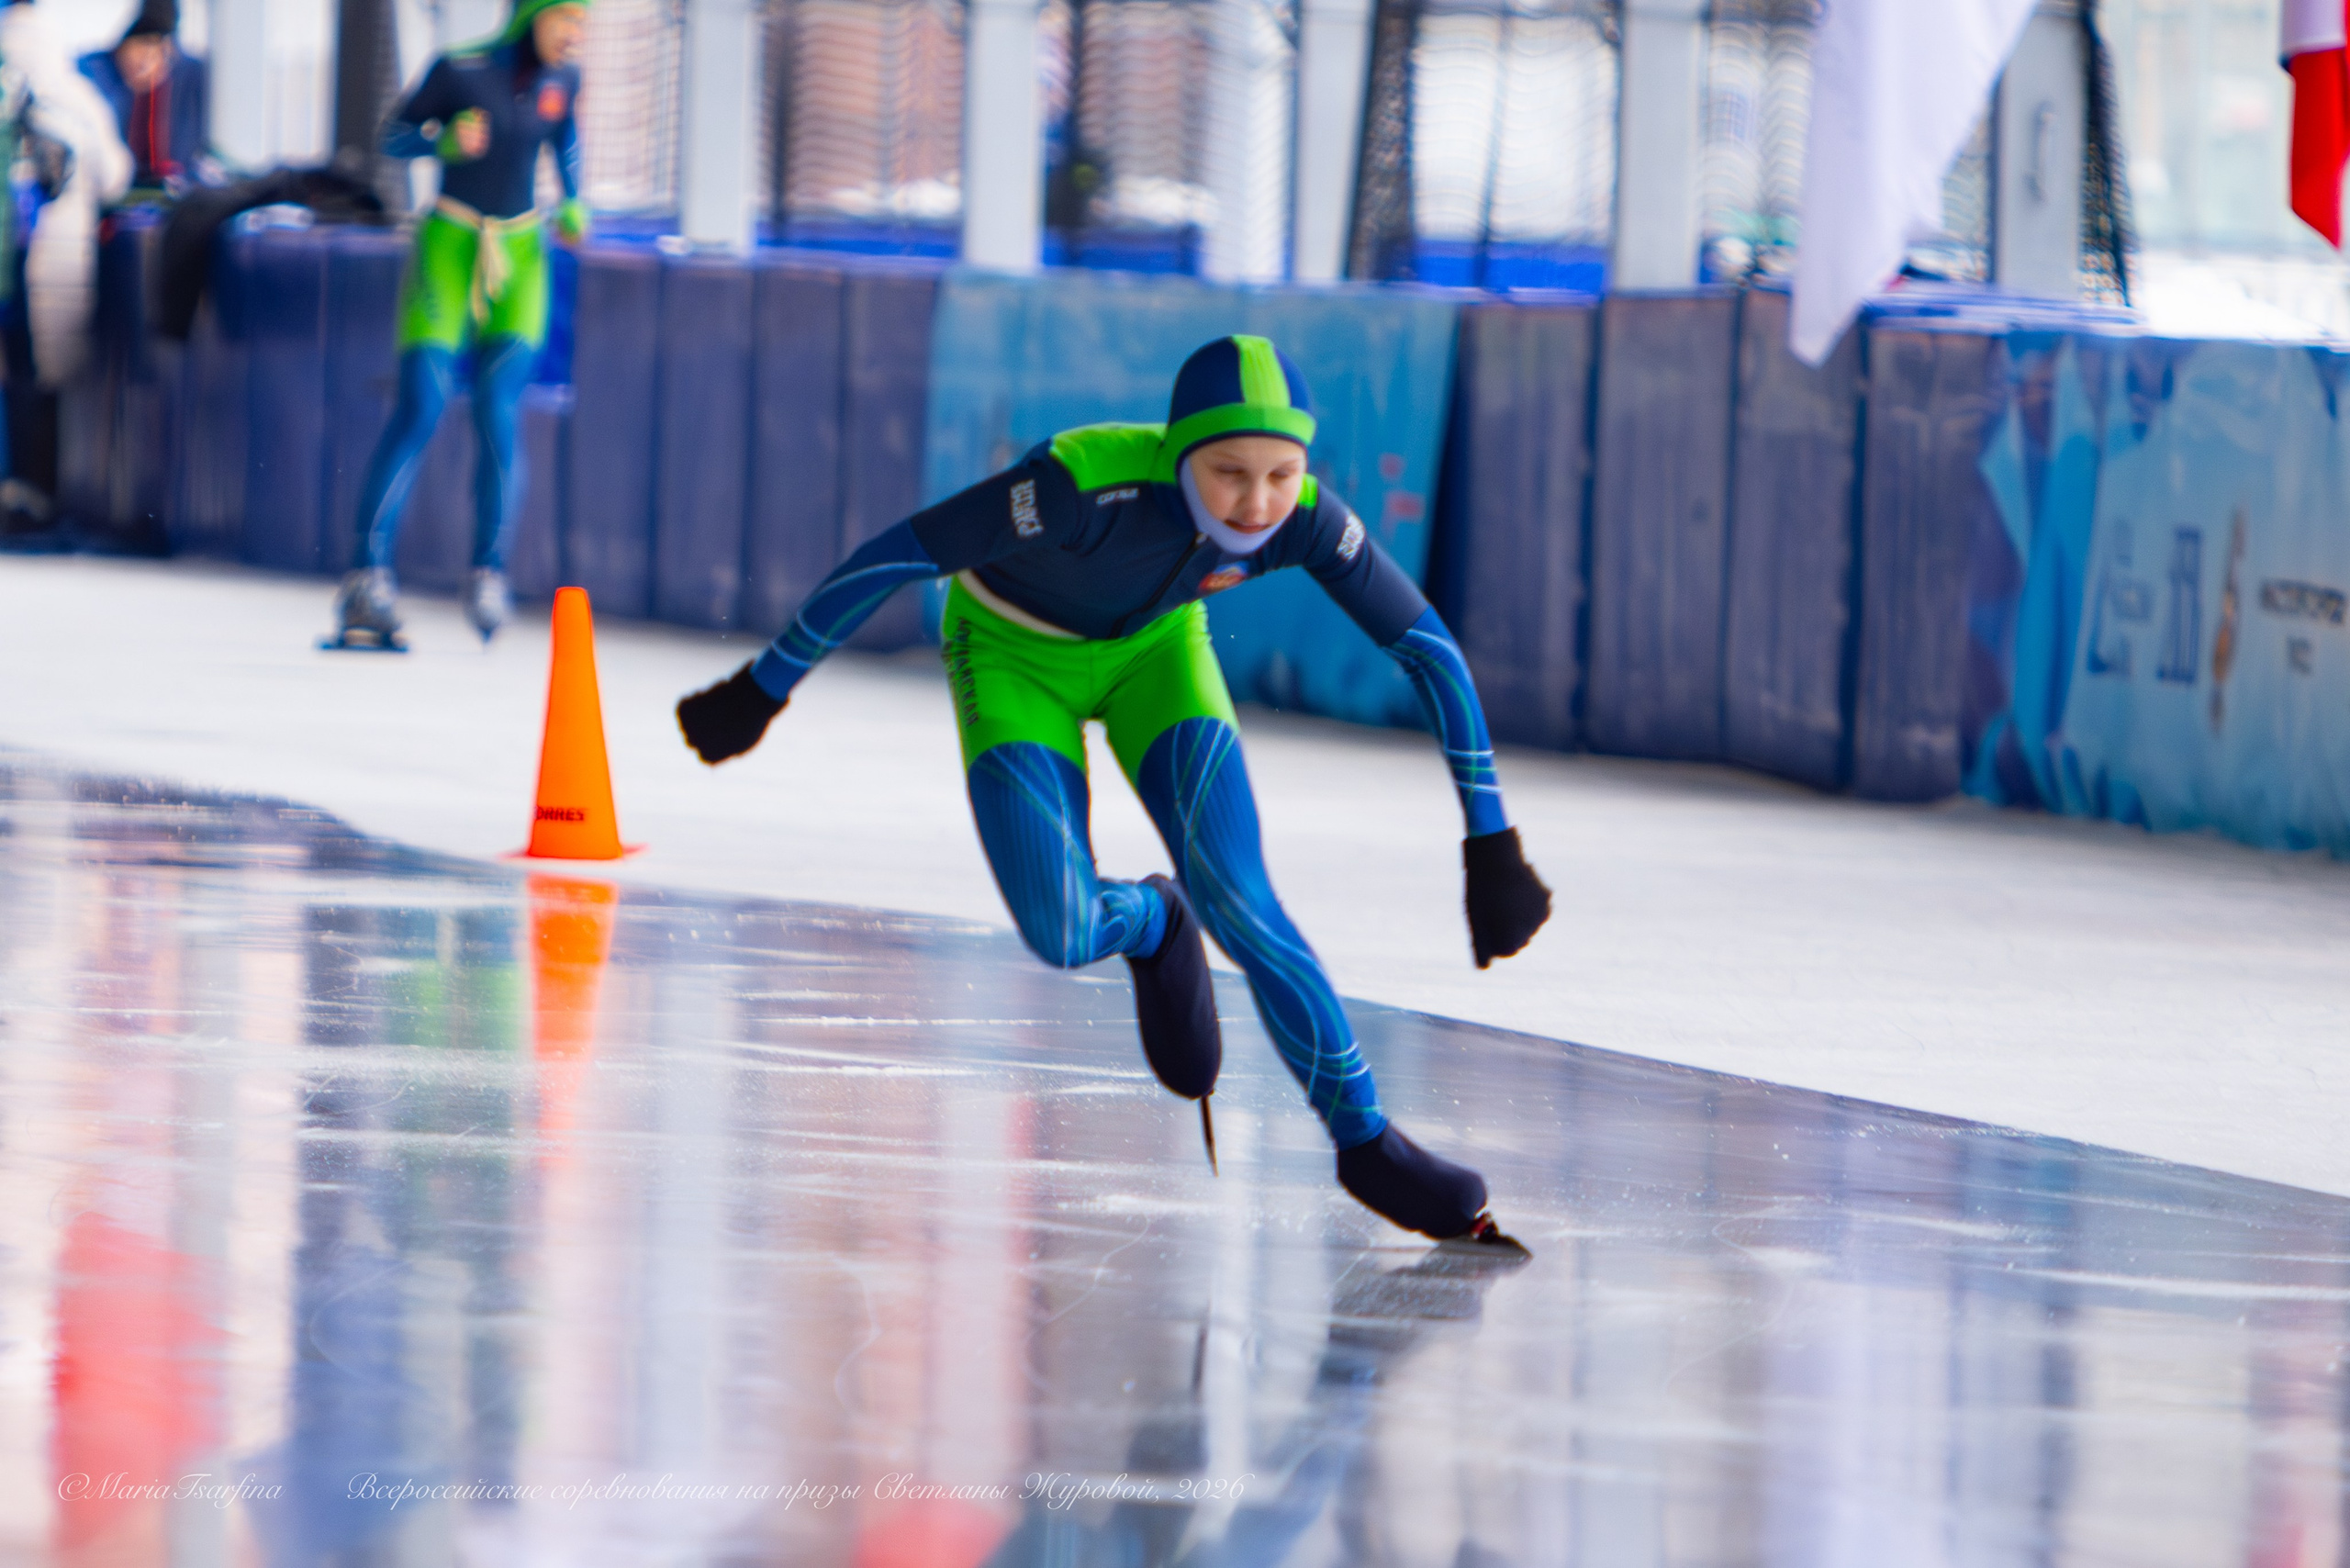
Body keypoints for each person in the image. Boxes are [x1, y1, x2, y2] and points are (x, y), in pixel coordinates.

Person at [676, 335, 1553, 1248]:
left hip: (1156, 655)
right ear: (1177, 458)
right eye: (1227, 474)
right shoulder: (1077, 486)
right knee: (1060, 930)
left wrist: (1489, 840)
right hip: (1015, 656)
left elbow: (1427, 648)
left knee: (1247, 906)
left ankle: (1366, 1139)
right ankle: (1153, 921)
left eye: (1280, 475)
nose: (1256, 505)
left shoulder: (1304, 518)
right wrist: (763, 686)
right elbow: (898, 553)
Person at [329, 0, 589, 650]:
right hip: (449, 246)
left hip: (522, 257)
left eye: (582, 25)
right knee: (422, 405)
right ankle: (368, 574)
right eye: (564, 20)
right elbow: (392, 135)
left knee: (500, 412)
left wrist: (577, 203)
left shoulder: (563, 82)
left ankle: (488, 570)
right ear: (531, 16)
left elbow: (565, 144)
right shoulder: (462, 71)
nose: (573, 36)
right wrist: (439, 141)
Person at [77, 0, 209, 195]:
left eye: (160, 48)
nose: (148, 61)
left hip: (170, 195)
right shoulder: (92, 73)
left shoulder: (192, 76)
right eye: (142, 44)